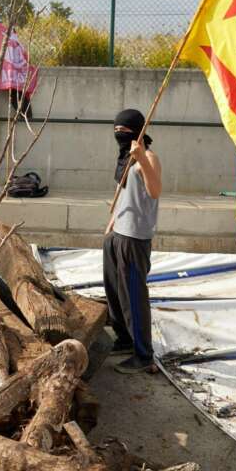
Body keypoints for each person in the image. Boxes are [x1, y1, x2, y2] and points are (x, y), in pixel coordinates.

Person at [104, 109, 161, 374]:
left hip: (135, 237)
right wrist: (112, 222)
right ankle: (124, 338)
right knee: (115, 290)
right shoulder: (124, 158)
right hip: (117, 233)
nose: (119, 135)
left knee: (134, 296)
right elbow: (122, 191)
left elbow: (155, 190)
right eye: (116, 130)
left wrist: (142, 159)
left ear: (138, 131)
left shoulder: (147, 156)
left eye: (124, 130)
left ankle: (143, 355)